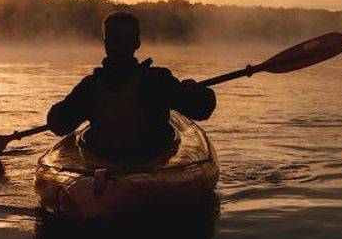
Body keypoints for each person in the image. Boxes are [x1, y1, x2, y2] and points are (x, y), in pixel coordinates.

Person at [47, 12, 216, 162]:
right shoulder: (158, 80)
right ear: (137, 43)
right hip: (151, 159)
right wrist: (192, 87)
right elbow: (202, 108)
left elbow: (57, 124)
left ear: (106, 44)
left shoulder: (90, 86)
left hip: (105, 159)